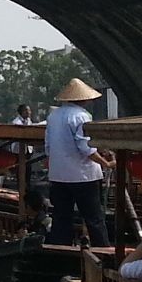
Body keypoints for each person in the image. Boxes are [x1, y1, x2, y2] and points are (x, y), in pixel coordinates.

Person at [44, 77, 108, 247]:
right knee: (94, 218)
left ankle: (60, 249)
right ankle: (102, 250)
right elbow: (86, 148)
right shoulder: (81, 116)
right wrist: (105, 163)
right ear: (83, 99)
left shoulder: (53, 116)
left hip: (59, 175)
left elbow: (48, 146)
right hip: (83, 176)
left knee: (61, 218)